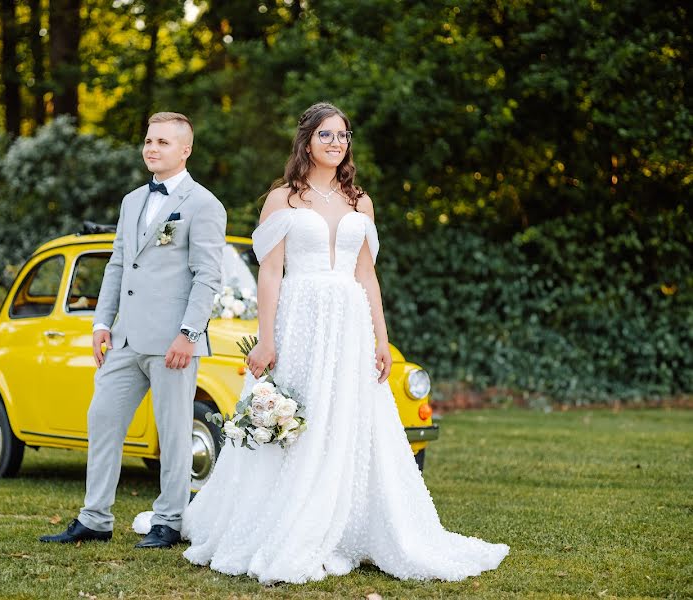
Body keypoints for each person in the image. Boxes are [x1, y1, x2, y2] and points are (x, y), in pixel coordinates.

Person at [179, 102, 510, 582]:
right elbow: (270, 274)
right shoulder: (283, 199)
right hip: (302, 316)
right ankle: (284, 522)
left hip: (350, 319)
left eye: (342, 135)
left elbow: (367, 276)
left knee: (353, 417)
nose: (336, 143)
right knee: (301, 414)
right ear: (307, 141)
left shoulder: (361, 201)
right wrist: (265, 339)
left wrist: (382, 336)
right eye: (326, 135)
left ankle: (355, 523)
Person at [40, 112, 227, 549]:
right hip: (124, 339)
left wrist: (189, 334)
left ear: (185, 150)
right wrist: (102, 322)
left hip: (173, 343)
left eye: (162, 142)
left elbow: (207, 277)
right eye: (148, 140)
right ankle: (95, 518)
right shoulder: (131, 202)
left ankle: (170, 520)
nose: (151, 148)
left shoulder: (204, 205)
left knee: (175, 431)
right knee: (102, 418)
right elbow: (119, 263)